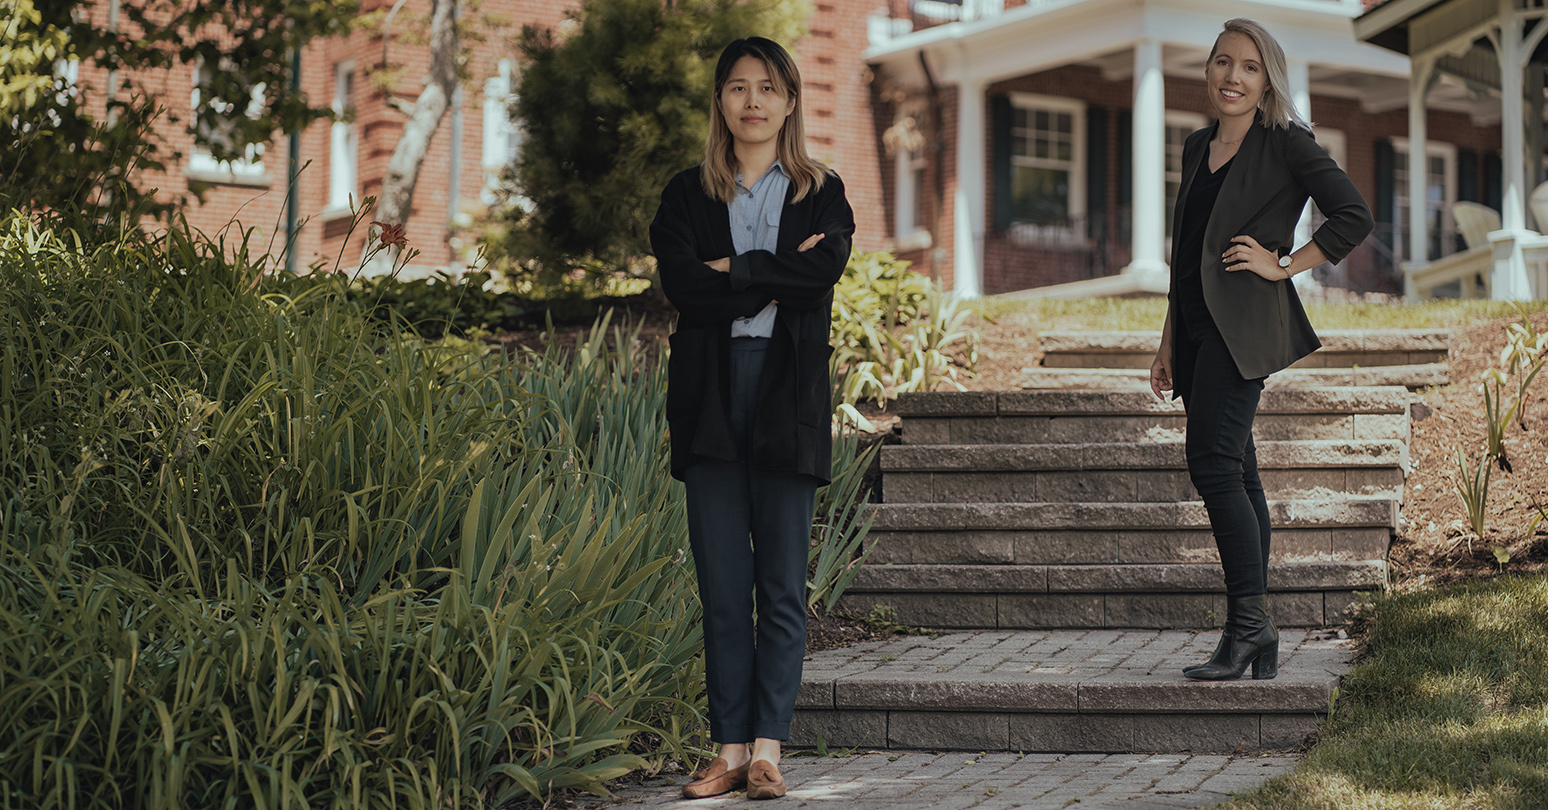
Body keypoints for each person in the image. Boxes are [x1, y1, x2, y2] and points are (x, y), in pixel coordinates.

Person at [649, 36, 855, 799]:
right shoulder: (686, 196)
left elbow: (822, 270)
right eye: (737, 87)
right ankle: (729, 752)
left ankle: (769, 750)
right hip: (708, 398)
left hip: (785, 398)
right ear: (721, 103)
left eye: (767, 87)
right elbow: (682, 288)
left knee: (781, 583)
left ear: (790, 102)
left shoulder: (823, 193)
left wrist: (734, 268)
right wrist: (777, 274)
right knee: (723, 585)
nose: (752, 101)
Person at [1148, 18, 1372, 681]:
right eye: (1223, 63)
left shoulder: (1287, 144)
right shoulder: (1194, 147)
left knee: (1213, 463)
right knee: (1239, 472)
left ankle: (1248, 625)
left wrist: (1285, 265)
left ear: (1266, 78)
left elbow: (1353, 215)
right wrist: (1166, 341)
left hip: (1243, 326)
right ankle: (1256, 633)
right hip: (1192, 328)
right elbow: (1184, 252)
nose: (1233, 77)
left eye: (1249, 66)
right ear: (1209, 71)